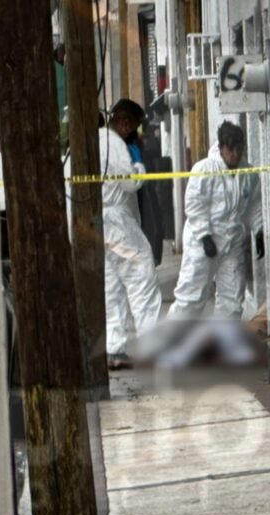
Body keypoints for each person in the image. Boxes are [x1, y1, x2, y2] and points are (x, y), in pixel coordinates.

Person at [168, 121, 263, 320]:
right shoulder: (204, 169)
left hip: (232, 243)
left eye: (238, 149)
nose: (234, 154)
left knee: (232, 298)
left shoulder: (248, 173)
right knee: (191, 297)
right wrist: (205, 237)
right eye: (230, 150)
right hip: (203, 243)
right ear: (221, 147)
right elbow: (194, 204)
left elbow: (254, 205)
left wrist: (259, 230)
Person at [101, 98, 162, 368]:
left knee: (112, 286)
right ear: (125, 124)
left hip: (100, 223)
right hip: (117, 221)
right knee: (142, 276)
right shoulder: (115, 145)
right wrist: (138, 166)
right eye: (135, 127)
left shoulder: (97, 140)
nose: (136, 133)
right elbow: (130, 183)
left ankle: (114, 349)